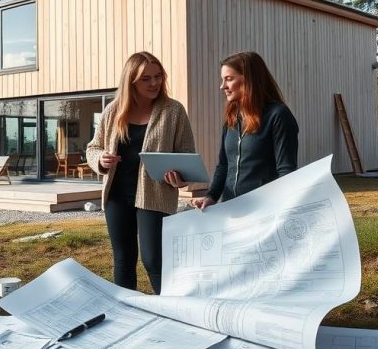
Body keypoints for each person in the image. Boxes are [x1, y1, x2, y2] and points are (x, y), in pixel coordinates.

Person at [86, 51, 195, 293]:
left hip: (155, 195)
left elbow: (187, 155)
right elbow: (93, 147)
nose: (154, 83)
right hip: (117, 195)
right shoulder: (113, 111)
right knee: (123, 260)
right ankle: (127, 312)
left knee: (154, 259)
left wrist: (179, 178)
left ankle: (171, 309)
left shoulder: (173, 111)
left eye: (158, 76)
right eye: (146, 78)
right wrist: (101, 159)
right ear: (131, 81)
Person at [192, 51, 299, 210]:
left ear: (250, 79)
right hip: (231, 209)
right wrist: (211, 196)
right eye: (223, 80)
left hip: (263, 210)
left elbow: (286, 171)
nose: (223, 86)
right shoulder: (232, 116)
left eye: (229, 79)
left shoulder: (278, 115)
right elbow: (223, 164)